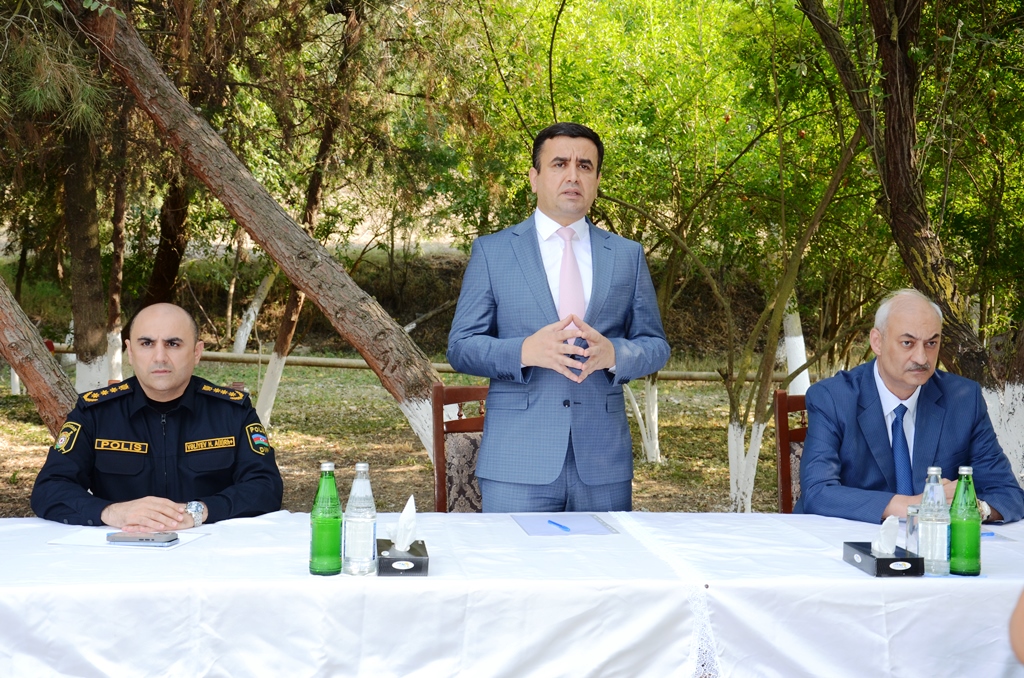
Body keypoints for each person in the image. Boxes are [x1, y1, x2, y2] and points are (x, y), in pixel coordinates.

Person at [447, 122, 670, 512]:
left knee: (605, 556)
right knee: (514, 556)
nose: (573, 175)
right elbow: (461, 347)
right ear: (534, 178)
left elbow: (655, 346)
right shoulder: (493, 252)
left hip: (602, 463)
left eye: (585, 166)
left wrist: (614, 355)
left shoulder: (627, 256)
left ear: (596, 181)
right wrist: (524, 352)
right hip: (517, 462)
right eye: (559, 164)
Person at [31, 303, 283, 530]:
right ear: (130, 351)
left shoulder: (232, 412)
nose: (160, 357)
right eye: (147, 343)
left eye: (173, 344)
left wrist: (200, 511)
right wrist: (112, 512)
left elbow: (266, 486)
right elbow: (49, 488)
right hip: (119, 552)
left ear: (196, 352)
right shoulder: (95, 413)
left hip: (210, 550)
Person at [797, 288, 1024, 524]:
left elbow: (1008, 493)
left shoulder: (964, 400)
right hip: (846, 539)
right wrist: (913, 505)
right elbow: (817, 492)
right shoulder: (832, 398)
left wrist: (972, 507)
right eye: (908, 343)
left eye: (931, 343)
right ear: (877, 342)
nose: (922, 358)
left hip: (932, 542)